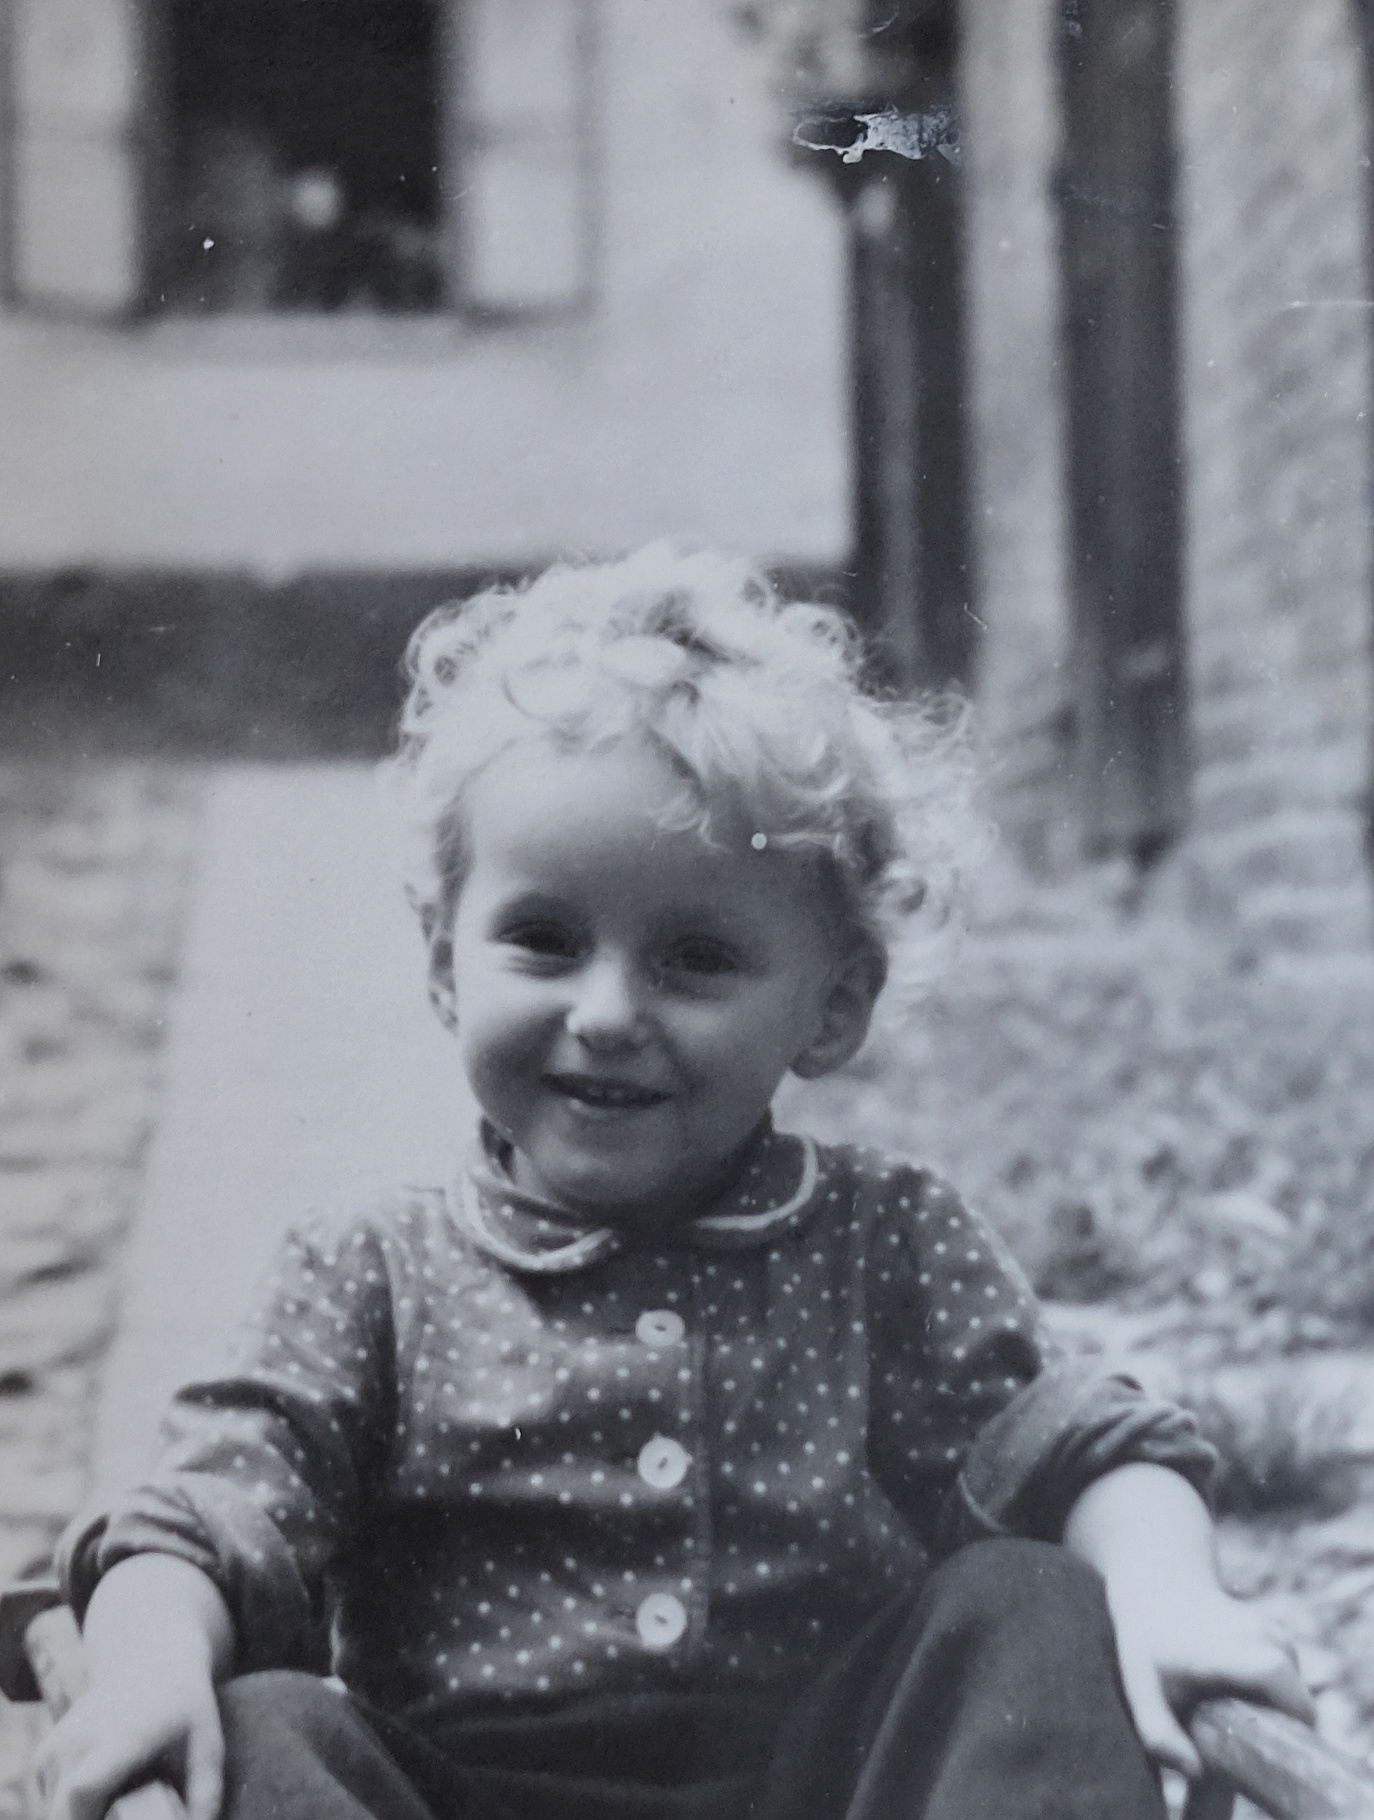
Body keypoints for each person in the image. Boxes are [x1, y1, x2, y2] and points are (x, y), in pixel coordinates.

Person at [41, 548, 1311, 1820]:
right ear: (442, 962)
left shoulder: (883, 1239)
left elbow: (1078, 1451)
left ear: (832, 1007)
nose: (605, 1014)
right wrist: (148, 1655)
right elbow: (216, 1505)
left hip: (827, 1793)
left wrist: (1170, 1595)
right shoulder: (371, 1269)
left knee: (1034, 1600)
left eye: (695, 958)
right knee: (262, 1722)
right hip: (462, 1795)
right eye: (543, 939)